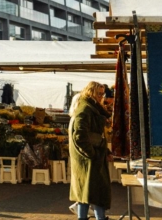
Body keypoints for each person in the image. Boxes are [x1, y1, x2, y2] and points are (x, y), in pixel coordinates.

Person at [69, 81, 112, 220]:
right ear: (91, 92)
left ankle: (85, 217)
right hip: (89, 159)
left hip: (91, 157)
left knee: (86, 194)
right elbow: (79, 135)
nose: (101, 97)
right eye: (99, 93)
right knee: (96, 192)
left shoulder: (90, 107)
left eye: (102, 93)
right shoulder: (85, 108)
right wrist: (92, 154)